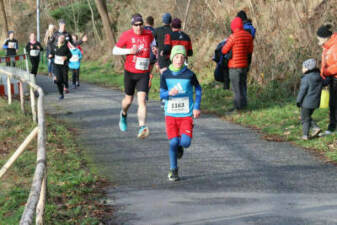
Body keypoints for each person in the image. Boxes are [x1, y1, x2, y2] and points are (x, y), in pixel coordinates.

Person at [160, 45, 202, 181]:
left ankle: (180, 145)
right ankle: (173, 170)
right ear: (172, 58)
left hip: (185, 115)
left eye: (182, 57)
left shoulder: (189, 74)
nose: (179, 60)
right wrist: (168, 93)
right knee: (173, 142)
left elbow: (199, 89)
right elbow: (161, 94)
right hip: (170, 115)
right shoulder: (165, 74)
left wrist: (196, 106)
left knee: (185, 142)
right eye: (176, 57)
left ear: (185, 59)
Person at [112, 14, 154, 139]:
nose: (138, 27)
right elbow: (115, 50)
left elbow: (153, 44)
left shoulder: (148, 34)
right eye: (136, 25)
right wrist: (129, 51)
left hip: (144, 73)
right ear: (132, 25)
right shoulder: (127, 35)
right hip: (130, 73)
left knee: (141, 100)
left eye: (140, 24)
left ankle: (142, 126)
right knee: (128, 101)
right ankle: (123, 114)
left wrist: (155, 49)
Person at [222, 17, 253, 111]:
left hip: (234, 66)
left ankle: (237, 108)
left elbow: (224, 50)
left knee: (236, 88)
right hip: (244, 65)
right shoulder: (248, 36)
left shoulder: (233, 36)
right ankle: (244, 105)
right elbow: (250, 50)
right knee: (243, 86)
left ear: (233, 27)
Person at [48, 19, 87, 93]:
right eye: (62, 25)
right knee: (58, 74)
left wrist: (82, 41)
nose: (63, 26)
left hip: (65, 55)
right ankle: (58, 80)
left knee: (65, 72)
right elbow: (50, 43)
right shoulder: (55, 34)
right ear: (59, 25)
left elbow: (73, 44)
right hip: (57, 55)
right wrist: (51, 52)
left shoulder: (67, 34)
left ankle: (65, 87)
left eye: (64, 25)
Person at [317, 24, 337, 136]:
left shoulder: (335, 45)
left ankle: (332, 127)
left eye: (319, 38)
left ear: (325, 37)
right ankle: (332, 126)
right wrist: (323, 74)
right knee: (332, 104)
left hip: (335, 77)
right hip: (331, 77)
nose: (318, 40)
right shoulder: (326, 46)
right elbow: (325, 63)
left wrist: (327, 72)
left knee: (334, 103)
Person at [296, 59, 323, 140]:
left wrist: (298, 101)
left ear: (308, 68)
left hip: (306, 102)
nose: (302, 69)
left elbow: (302, 91)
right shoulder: (318, 77)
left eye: (303, 67)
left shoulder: (306, 78)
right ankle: (315, 128)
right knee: (307, 116)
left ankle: (306, 135)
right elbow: (324, 83)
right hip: (315, 102)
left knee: (304, 119)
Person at [49, 35, 72, 100]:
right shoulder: (54, 46)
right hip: (56, 66)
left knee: (64, 80)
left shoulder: (65, 47)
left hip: (64, 66)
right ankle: (61, 94)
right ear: (58, 38)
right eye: (60, 38)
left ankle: (62, 84)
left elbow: (70, 54)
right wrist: (50, 56)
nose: (61, 39)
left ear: (63, 40)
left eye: (63, 38)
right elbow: (52, 54)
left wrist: (66, 57)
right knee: (59, 80)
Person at [144, 16, 157, 99]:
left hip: (143, 55)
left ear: (145, 22)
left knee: (143, 74)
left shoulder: (141, 30)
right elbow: (156, 45)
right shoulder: (155, 31)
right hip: (152, 56)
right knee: (148, 74)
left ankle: (143, 91)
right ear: (153, 23)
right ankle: (146, 92)